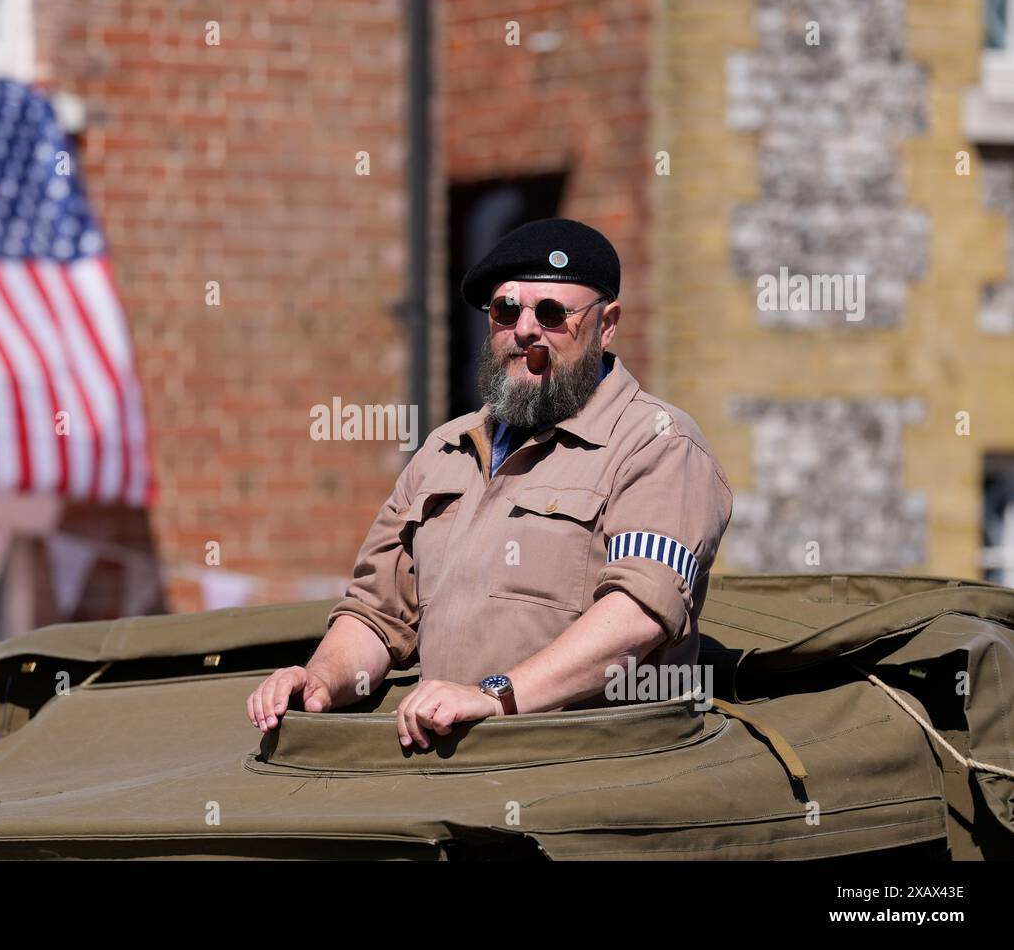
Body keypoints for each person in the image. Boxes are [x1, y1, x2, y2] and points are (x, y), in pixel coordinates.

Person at [246, 218, 733, 749]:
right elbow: (378, 612)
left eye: (552, 313)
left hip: (588, 773)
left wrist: (495, 696)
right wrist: (321, 679)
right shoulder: (444, 451)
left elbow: (639, 614)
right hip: (444, 770)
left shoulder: (656, 443)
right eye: (506, 310)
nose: (525, 330)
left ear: (606, 324)